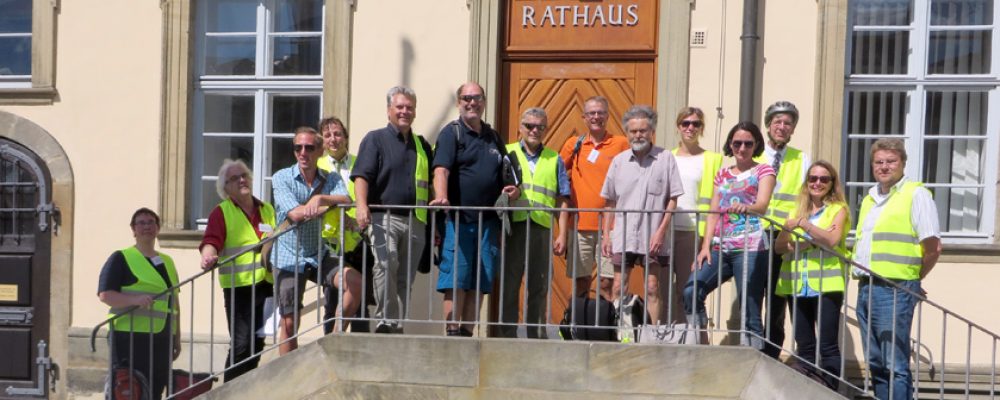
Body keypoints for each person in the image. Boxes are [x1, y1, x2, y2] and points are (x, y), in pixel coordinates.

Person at [852, 138, 941, 400]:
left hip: (894, 288)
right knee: (876, 362)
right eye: (879, 162)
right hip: (866, 286)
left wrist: (913, 279)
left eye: (891, 161)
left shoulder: (916, 194)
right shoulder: (869, 198)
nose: (884, 166)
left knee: (895, 363)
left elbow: (933, 248)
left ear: (902, 163)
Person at [430, 82, 519, 337]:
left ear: (484, 102)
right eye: (466, 98)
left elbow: (510, 176)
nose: (472, 102)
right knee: (456, 279)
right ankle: (452, 332)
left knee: (479, 281)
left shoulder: (493, 137)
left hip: (488, 223)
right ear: (459, 102)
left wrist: (514, 191)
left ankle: (467, 334)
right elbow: (441, 170)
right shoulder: (452, 133)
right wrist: (443, 196)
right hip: (458, 221)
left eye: (477, 98)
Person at [683, 121, 776, 349]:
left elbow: (763, 204)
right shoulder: (722, 174)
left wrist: (748, 207)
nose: (742, 148)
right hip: (720, 246)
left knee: (749, 303)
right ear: (730, 145)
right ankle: (700, 343)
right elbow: (713, 213)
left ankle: (754, 356)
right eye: (737, 143)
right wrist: (705, 247)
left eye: (747, 143)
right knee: (691, 289)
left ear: (756, 145)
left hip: (751, 245)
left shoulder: (764, 170)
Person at [351, 86, 433, 334]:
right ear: (389, 111)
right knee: (386, 264)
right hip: (383, 216)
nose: (405, 111)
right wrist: (361, 206)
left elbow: (428, 185)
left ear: (415, 112)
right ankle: (386, 321)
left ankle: (396, 324)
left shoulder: (421, 145)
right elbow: (361, 176)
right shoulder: (375, 139)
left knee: (405, 276)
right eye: (399, 107)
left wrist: (434, 224)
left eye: (409, 107)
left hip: (415, 219)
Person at [271, 126, 354, 354]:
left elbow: (346, 198)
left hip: (318, 252)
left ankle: (334, 340)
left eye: (309, 147)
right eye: (298, 147)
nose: (303, 152)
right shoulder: (282, 177)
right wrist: (326, 208)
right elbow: (295, 214)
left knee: (355, 284)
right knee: (289, 322)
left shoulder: (330, 178)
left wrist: (320, 198)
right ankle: (288, 375)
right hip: (288, 256)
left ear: (320, 151)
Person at [600, 105, 684, 325]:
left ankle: (651, 335)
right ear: (627, 133)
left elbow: (673, 199)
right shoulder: (618, 162)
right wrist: (606, 235)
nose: (638, 135)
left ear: (652, 132)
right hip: (623, 234)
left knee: (652, 287)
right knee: (618, 286)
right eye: (633, 131)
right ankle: (618, 332)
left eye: (643, 130)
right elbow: (609, 201)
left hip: (652, 235)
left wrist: (661, 232)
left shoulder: (665, 159)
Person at [774, 160, 850, 390]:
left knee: (827, 345)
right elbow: (780, 247)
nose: (817, 183)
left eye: (824, 179)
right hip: (796, 284)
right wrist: (808, 237)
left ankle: (829, 391)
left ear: (832, 183)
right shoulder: (795, 210)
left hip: (826, 283)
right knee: (804, 344)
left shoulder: (839, 210)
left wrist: (803, 226)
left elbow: (831, 240)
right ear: (807, 183)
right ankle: (807, 391)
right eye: (813, 179)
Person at [198, 160, 275, 381]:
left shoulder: (266, 209)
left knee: (257, 342)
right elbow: (211, 240)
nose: (242, 180)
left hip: (266, 285)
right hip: (239, 288)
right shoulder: (221, 212)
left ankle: (245, 388)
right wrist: (207, 256)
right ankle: (228, 391)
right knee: (242, 344)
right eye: (234, 178)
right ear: (226, 188)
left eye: (244, 175)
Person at [498, 107, 570, 339]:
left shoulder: (554, 158)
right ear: (520, 127)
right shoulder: (506, 153)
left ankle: (536, 333)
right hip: (512, 226)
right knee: (509, 283)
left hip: (541, 227)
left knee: (539, 284)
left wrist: (563, 234)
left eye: (540, 126)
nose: (534, 131)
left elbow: (563, 199)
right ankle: (507, 333)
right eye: (529, 126)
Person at [98, 208, 180, 399]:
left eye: (151, 222)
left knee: (156, 388)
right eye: (141, 223)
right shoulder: (121, 257)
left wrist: (176, 337)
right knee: (128, 389)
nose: (147, 226)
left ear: (158, 228)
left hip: (161, 337)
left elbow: (174, 302)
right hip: (129, 337)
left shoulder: (167, 261)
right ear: (133, 230)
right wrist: (134, 300)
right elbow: (105, 295)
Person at [756, 101, 812, 358]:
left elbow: (806, 197)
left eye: (787, 123)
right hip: (755, 233)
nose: (782, 127)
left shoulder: (801, 158)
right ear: (768, 126)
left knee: (778, 296)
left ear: (792, 129)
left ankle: (772, 351)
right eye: (777, 122)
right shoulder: (754, 154)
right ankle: (752, 346)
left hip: (783, 236)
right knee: (754, 291)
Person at [559, 96, 630, 300]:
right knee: (581, 281)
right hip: (580, 225)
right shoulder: (574, 144)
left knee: (607, 282)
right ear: (584, 117)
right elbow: (557, 175)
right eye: (591, 113)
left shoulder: (620, 143)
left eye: (600, 112)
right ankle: (579, 326)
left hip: (611, 226)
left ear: (607, 116)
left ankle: (606, 328)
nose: (596, 116)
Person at [317, 116, 372, 334]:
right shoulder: (317, 165)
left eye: (338, 134)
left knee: (361, 302)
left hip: (358, 240)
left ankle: (360, 356)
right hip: (330, 243)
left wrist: (357, 221)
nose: (333, 139)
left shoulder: (360, 163)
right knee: (332, 300)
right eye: (328, 135)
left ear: (346, 137)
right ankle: (329, 348)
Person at [669, 107, 723, 324]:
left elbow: (715, 202)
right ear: (678, 127)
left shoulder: (712, 159)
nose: (690, 128)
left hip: (694, 232)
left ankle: (690, 337)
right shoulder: (667, 157)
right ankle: (665, 336)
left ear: (701, 128)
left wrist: (706, 240)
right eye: (685, 123)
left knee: (687, 288)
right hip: (666, 230)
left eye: (695, 124)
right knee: (661, 289)